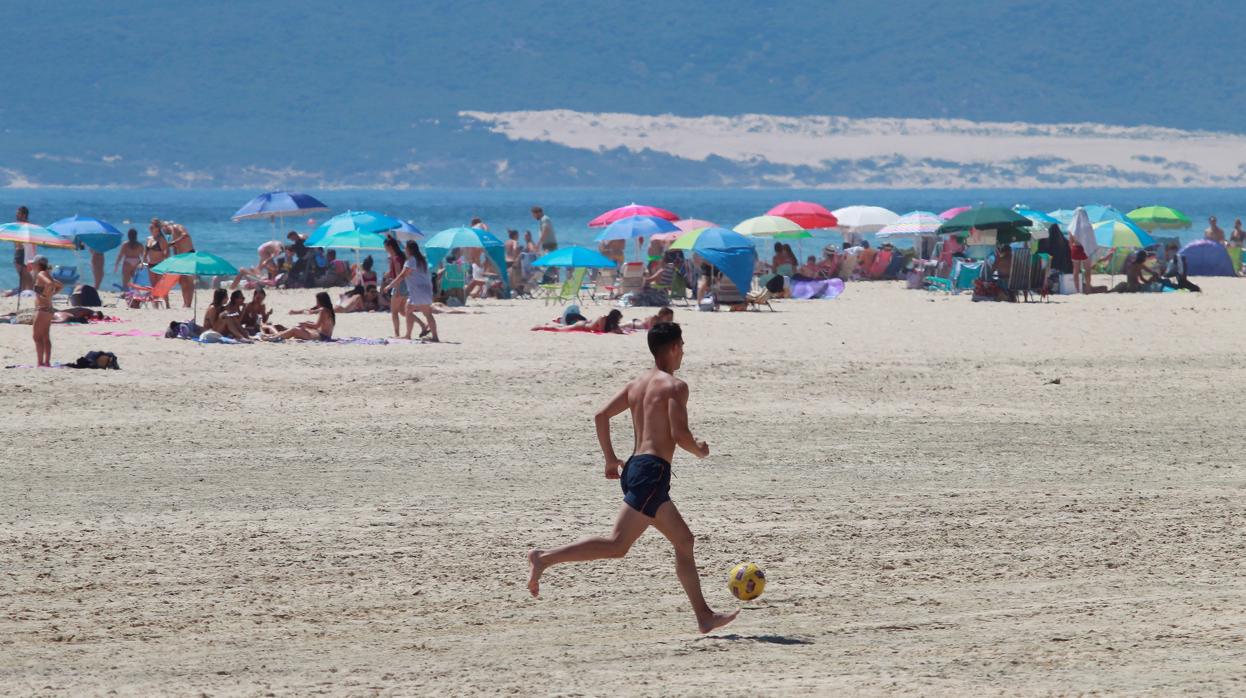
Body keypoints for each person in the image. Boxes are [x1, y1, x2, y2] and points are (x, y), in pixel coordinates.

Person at [526, 322, 737, 633]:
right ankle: (543, 558)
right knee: (618, 544)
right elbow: (679, 434)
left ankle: (704, 616)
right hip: (651, 474)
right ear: (675, 347)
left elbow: (601, 416)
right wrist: (700, 451)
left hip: (638, 468)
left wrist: (610, 459)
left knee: (684, 540)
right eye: (683, 346)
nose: (684, 353)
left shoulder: (638, 384)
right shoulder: (675, 387)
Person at [384, 240, 438, 342]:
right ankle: (435, 336)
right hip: (426, 289)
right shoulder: (422, 260)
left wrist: (390, 285)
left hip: (418, 291)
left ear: (409, 249)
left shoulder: (411, 260)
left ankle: (408, 335)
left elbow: (402, 275)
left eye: (406, 248)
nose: (405, 249)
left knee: (409, 310)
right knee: (425, 313)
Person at [264, 291, 336, 341]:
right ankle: (275, 336)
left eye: (317, 301)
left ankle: (274, 337)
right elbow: (311, 311)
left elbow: (316, 326)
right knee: (300, 328)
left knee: (294, 329)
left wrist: (305, 324)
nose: (317, 303)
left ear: (321, 301)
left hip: (322, 337)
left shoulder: (323, 310)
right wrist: (297, 313)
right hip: (324, 335)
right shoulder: (329, 310)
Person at [31, 256, 62, 367]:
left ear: (38, 264)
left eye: (33, 264)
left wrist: (45, 294)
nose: (32, 266)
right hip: (49, 309)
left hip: (42, 309)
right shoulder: (47, 273)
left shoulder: (41, 274)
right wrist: (51, 294)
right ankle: (47, 362)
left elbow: (50, 284)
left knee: (36, 337)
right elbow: (60, 285)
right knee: (45, 336)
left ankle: (40, 362)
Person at [383, 236, 408, 338]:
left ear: (389, 247)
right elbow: (398, 273)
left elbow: (399, 275)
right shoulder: (398, 257)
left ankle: (397, 334)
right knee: (403, 312)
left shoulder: (396, 258)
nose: (385, 249)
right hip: (404, 285)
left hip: (399, 285)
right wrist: (388, 274)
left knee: (394, 312)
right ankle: (423, 325)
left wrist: (394, 287)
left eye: (385, 247)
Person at [167, 223, 195, 307]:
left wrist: (173, 242)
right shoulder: (172, 235)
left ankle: (189, 303)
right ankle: (185, 302)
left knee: (189, 281)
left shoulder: (176, 227)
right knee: (182, 281)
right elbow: (176, 249)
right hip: (181, 257)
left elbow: (185, 235)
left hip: (189, 255)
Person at [532, 309, 625, 333]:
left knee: (562, 327)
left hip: (584, 326)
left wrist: (617, 330)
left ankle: (548, 325)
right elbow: (601, 330)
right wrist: (613, 330)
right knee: (560, 330)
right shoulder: (603, 318)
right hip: (581, 325)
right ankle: (541, 327)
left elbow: (617, 329)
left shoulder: (610, 322)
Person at [12, 206, 33, 292]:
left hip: (21, 249)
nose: (16, 215)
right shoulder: (25, 225)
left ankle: (25, 288)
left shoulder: (24, 225)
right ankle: (25, 288)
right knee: (23, 271)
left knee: (22, 271)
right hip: (20, 249)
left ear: (24, 215)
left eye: (18, 214)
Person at [144, 219, 170, 286]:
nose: (150, 227)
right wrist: (143, 264)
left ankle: (165, 296)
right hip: (150, 265)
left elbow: (167, 254)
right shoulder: (149, 238)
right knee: (153, 287)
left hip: (159, 265)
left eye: (152, 226)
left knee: (160, 287)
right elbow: (145, 253)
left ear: (158, 228)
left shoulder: (161, 239)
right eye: (150, 226)